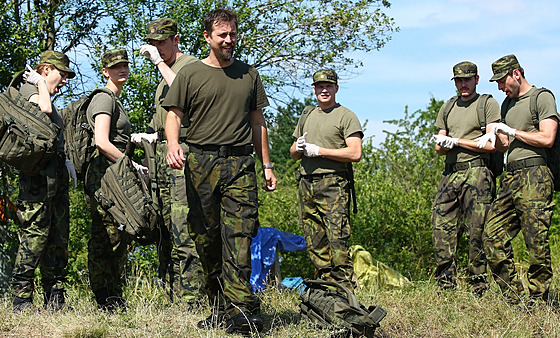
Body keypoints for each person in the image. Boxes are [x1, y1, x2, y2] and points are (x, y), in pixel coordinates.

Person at [164, 8, 277, 334]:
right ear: (207, 37)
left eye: (233, 34)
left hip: (240, 164)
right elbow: (174, 116)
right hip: (200, 164)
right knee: (206, 240)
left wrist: (267, 164)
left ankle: (243, 313)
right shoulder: (190, 75)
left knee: (239, 238)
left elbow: (258, 124)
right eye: (222, 35)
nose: (229, 40)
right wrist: (174, 145)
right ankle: (219, 307)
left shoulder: (249, 75)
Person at [132, 17, 203, 304]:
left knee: (184, 225)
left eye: (162, 42)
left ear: (175, 40)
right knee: (164, 227)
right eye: (153, 43)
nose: (157, 48)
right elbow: (162, 117)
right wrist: (147, 136)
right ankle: (172, 294)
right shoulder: (165, 74)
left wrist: (159, 65)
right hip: (162, 155)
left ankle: (193, 297)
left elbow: (188, 97)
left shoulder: (190, 66)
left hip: (183, 152)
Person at [480, 54, 558, 306]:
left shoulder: (541, 97)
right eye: (497, 85)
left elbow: (547, 138)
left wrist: (513, 131)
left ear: (516, 73)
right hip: (511, 175)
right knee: (492, 235)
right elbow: (506, 146)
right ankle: (514, 297)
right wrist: (494, 137)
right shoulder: (506, 105)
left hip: (535, 173)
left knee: (535, 240)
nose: (501, 88)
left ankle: (540, 299)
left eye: (502, 81)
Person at [11, 51, 76, 312]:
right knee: (35, 236)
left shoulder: (47, 94)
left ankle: (55, 298)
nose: (64, 81)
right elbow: (44, 109)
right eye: (61, 74)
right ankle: (21, 298)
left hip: (55, 177)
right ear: (46, 69)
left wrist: (68, 163)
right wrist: (39, 81)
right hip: (36, 180)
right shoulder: (29, 89)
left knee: (58, 238)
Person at [84, 48, 147, 311]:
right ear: (105, 71)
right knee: (105, 238)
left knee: (118, 237)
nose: (122, 69)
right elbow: (101, 142)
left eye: (125, 65)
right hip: (104, 179)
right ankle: (104, 299)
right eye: (115, 66)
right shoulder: (104, 99)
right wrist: (130, 164)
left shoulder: (116, 100)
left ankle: (113, 297)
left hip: (113, 176)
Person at [430, 61, 500, 294]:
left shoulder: (486, 103)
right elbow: (440, 148)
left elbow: (492, 144)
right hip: (451, 171)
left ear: (476, 79)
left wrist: (457, 141)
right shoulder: (448, 107)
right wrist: (443, 143)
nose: (463, 84)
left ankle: (478, 283)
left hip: (477, 171)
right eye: (459, 80)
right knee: (441, 226)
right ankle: (445, 283)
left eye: (467, 79)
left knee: (476, 229)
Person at [289, 69, 363, 291]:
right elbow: (293, 153)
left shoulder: (346, 116)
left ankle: (345, 291)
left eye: (328, 86)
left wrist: (319, 150)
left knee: (337, 239)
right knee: (314, 239)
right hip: (306, 182)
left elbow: (355, 153)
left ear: (336, 88)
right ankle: (324, 289)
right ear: (313, 89)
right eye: (319, 86)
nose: (324, 90)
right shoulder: (307, 115)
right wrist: (299, 147)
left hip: (333, 184)